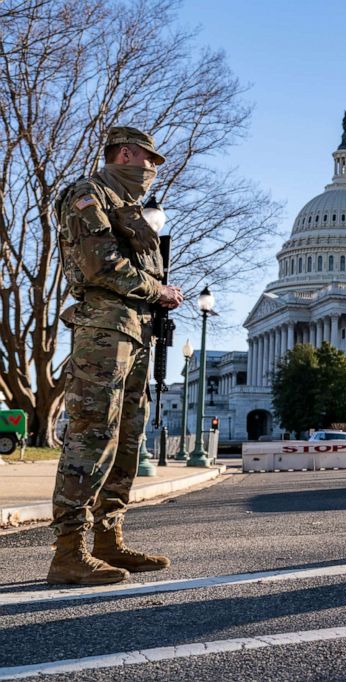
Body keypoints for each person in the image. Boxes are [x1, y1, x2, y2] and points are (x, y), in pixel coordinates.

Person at [49, 126, 184, 585]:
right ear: (125, 153)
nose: (151, 171)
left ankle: (108, 540)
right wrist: (158, 289)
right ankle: (68, 552)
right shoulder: (87, 196)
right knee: (92, 435)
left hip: (135, 331)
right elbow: (100, 264)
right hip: (104, 331)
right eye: (149, 160)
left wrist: (156, 298)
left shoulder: (129, 208)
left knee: (127, 439)